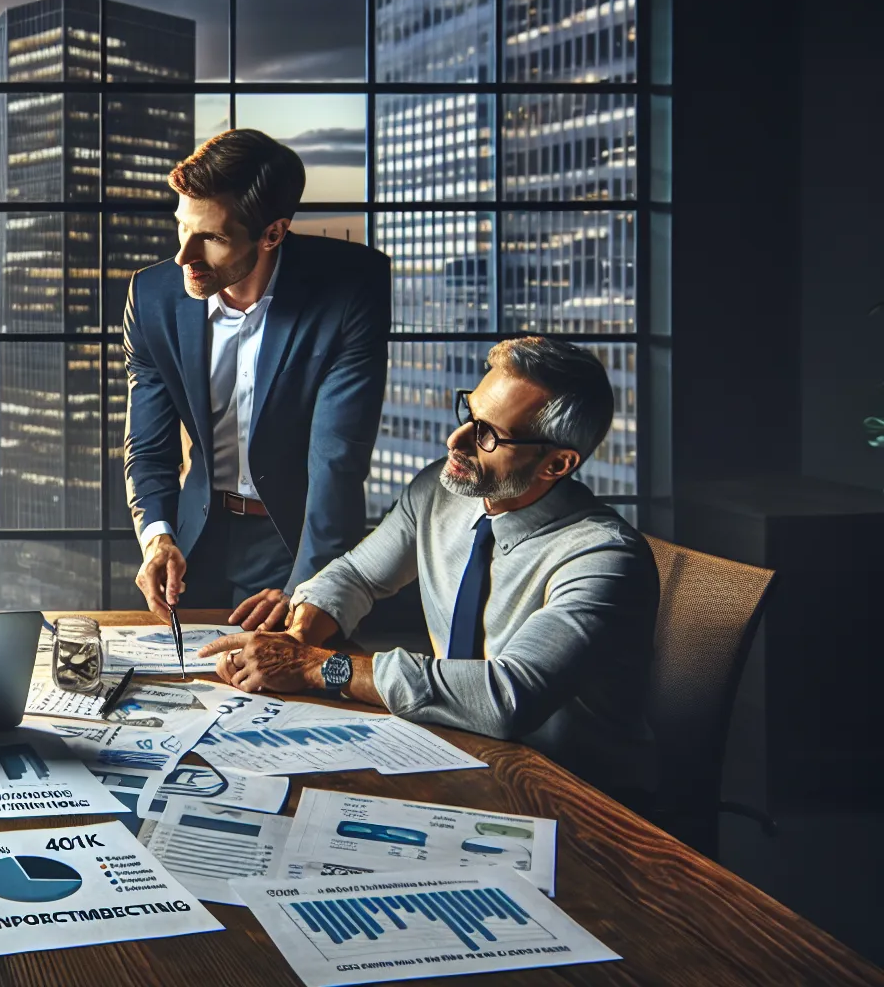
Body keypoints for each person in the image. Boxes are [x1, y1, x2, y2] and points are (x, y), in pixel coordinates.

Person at [201, 337, 659, 800]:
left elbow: (507, 697)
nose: (456, 441)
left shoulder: (604, 558)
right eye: (470, 414)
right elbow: (355, 576)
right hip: (453, 755)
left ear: (557, 464)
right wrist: (297, 641)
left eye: (489, 434)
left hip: (574, 795)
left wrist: (317, 667)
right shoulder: (442, 492)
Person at [125, 128, 390, 623]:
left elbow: (338, 459)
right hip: (194, 532)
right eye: (183, 226)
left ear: (272, 233)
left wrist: (310, 585)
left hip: (294, 537)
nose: (184, 255)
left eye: (212, 237)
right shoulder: (153, 297)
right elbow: (148, 444)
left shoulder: (351, 289)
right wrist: (158, 535)